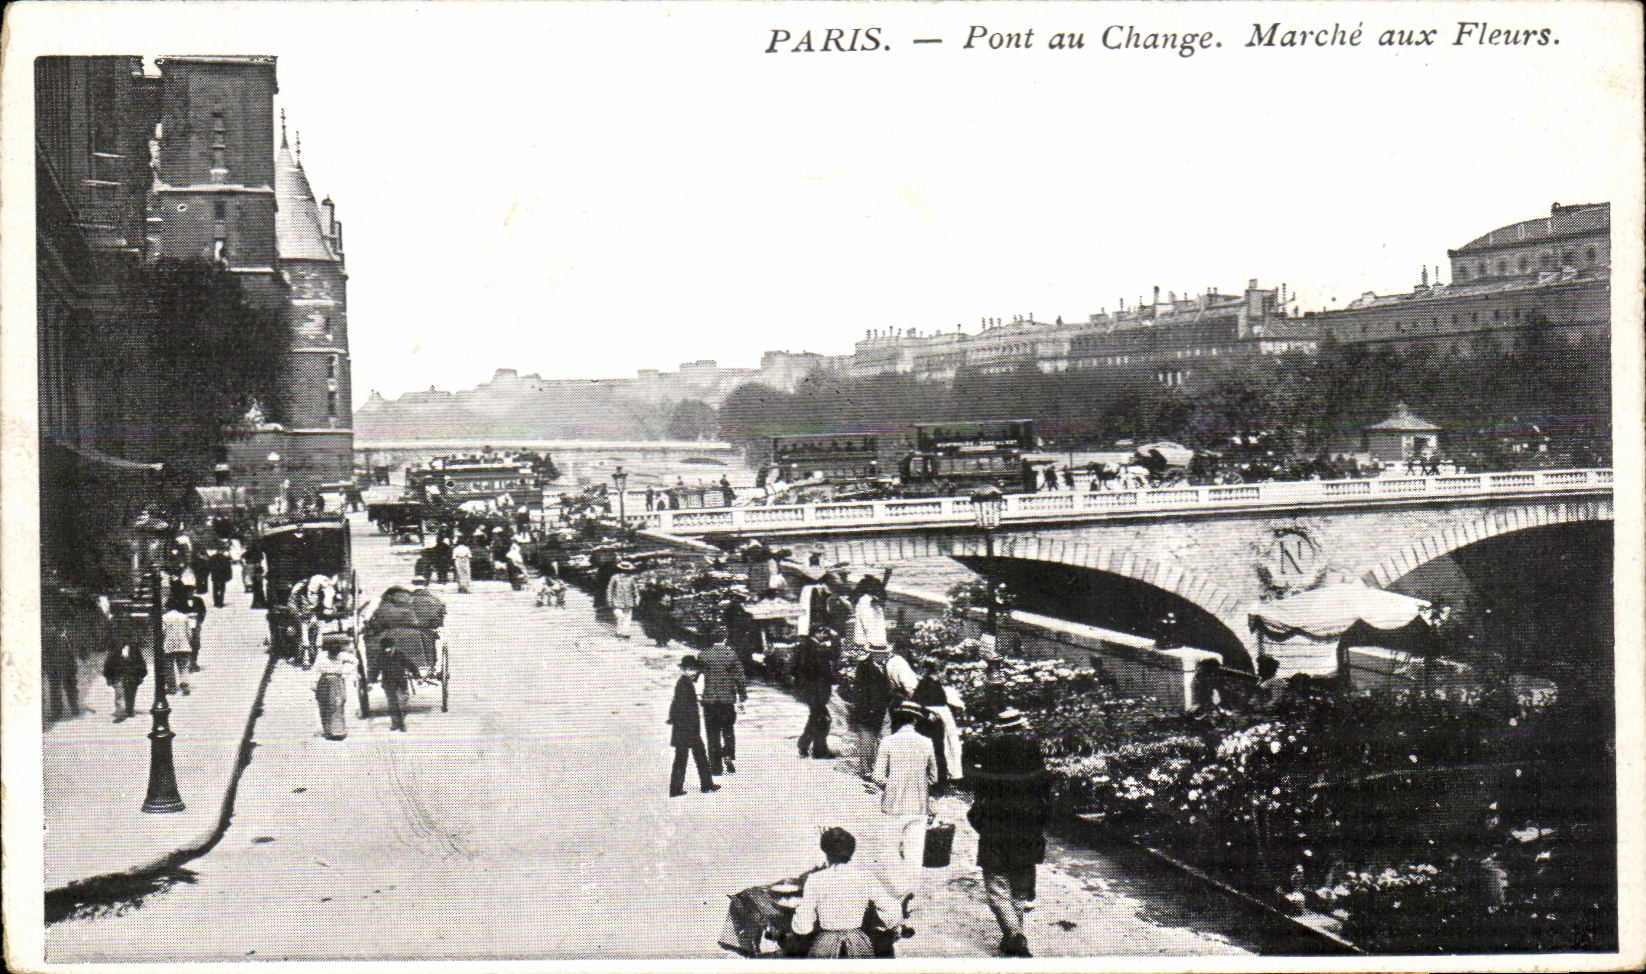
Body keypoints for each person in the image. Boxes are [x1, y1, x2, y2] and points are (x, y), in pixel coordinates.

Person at [965, 708, 1050, 958]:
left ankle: (1014, 935)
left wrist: (979, 820)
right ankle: (1014, 936)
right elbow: (1044, 790)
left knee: (996, 884)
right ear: (1020, 726)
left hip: (995, 827)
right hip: (1026, 827)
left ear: (1000, 728)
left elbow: (980, 793)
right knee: (1019, 887)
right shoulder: (1032, 750)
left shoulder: (990, 751)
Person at [789, 827, 903, 958]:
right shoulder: (865, 877)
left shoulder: (815, 879)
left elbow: (804, 926)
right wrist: (883, 926)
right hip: (858, 944)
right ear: (851, 851)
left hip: (825, 945)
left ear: (826, 851)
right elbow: (892, 910)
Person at [874, 701, 938, 897]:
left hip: (893, 805)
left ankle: (895, 893)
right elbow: (934, 777)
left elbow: (877, 777)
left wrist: (891, 784)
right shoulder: (927, 743)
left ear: (897, 720)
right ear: (915, 721)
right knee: (914, 853)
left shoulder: (888, 742)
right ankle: (909, 893)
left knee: (891, 851)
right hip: (919, 806)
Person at [667, 655, 720, 796]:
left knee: (683, 758)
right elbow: (683, 707)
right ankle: (706, 785)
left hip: (682, 728)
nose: (695, 672)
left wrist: (673, 718)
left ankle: (676, 789)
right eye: (692, 669)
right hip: (687, 728)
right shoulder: (685, 684)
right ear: (686, 669)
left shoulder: (684, 682)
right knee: (697, 757)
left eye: (695, 669)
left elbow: (676, 704)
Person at [911, 656, 964, 790]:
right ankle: (934, 782)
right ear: (936, 672)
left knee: (942, 750)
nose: (944, 675)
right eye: (942, 671)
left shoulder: (936, 685)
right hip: (929, 724)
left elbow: (942, 702)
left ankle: (941, 781)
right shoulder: (924, 684)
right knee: (935, 751)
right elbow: (916, 704)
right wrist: (928, 714)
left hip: (940, 722)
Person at [698, 638, 747, 775]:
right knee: (728, 730)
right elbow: (740, 677)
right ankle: (727, 753)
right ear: (725, 639)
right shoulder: (731, 655)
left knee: (712, 734)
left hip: (710, 701)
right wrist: (742, 695)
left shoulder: (703, 655)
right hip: (727, 701)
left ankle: (716, 768)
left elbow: (696, 675)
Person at [793, 626, 840, 759]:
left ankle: (807, 745)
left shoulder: (810, 646)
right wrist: (835, 638)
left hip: (813, 690)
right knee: (822, 719)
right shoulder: (812, 648)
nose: (825, 635)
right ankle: (818, 750)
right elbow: (834, 655)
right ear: (816, 633)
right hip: (815, 691)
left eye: (825, 632)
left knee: (817, 719)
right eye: (823, 632)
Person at [849, 646, 893, 777]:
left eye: (885, 653)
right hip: (867, 710)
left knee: (885, 739)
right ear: (873, 653)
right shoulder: (864, 667)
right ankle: (866, 770)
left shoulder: (883, 666)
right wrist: (867, 709)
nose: (884, 656)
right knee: (867, 739)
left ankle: (881, 769)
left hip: (882, 708)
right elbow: (860, 691)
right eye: (881, 654)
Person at [313, 638, 356, 740]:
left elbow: (355, 661)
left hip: (337, 682)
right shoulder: (321, 657)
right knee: (324, 705)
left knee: (337, 705)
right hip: (324, 682)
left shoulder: (342, 655)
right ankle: (328, 732)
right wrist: (314, 683)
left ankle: (338, 732)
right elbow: (315, 670)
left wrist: (345, 672)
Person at [103, 638, 147, 723]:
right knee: (120, 693)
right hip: (119, 674)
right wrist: (108, 676)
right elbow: (109, 663)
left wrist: (141, 674)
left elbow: (140, 662)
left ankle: (129, 709)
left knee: (131, 693)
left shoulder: (134, 649)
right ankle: (121, 713)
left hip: (132, 675)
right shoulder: (114, 651)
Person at [852, 575, 889, 655]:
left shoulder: (863, 595)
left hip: (868, 609)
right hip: (869, 610)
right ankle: (872, 645)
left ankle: (866, 645)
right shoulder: (866, 598)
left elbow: (853, 598)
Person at [607, 561, 639, 639]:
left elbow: (635, 590)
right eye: (623, 570)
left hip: (628, 601)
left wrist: (637, 599)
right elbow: (610, 589)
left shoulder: (631, 578)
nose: (625, 571)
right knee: (620, 616)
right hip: (617, 601)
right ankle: (619, 631)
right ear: (620, 569)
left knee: (627, 617)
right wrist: (609, 599)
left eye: (626, 570)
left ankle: (625, 633)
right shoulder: (615, 577)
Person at [187, 589, 208, 673]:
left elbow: (203, 611)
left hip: (196, 624)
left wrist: (200, 620)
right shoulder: (181, 600)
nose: (190, 593)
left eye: (191, 590)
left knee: (196, 643)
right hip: (185, 624)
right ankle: (188, 663)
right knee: (188, 643)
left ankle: (193, 661)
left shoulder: (198, 600)